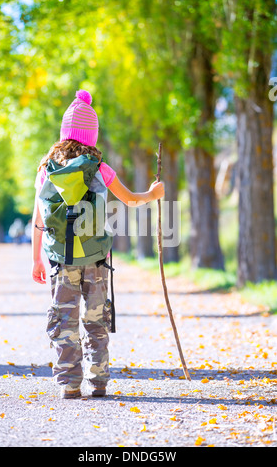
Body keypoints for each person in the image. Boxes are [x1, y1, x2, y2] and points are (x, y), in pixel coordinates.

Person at [31, 89, 164, 399]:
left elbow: (38, 218)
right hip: (96, 258)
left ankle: (70, 384)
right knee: (95, 318)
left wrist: (36, 258)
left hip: (60, 259)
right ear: (92, 134)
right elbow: (130, 199)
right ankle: (98, 379)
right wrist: (153, 194)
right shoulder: (99, 168)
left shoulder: (46, 168)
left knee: (64, 320)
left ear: (64, 132)